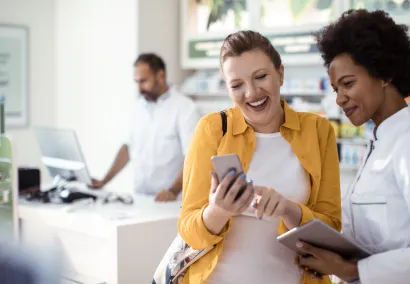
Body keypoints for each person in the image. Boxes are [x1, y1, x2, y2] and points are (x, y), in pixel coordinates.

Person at [294, 9, 410, 284]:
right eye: (336, 89)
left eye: (348, 84)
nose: (339, 98)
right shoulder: (378, 143)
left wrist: (351, 270)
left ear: (384, 74)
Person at [177, 30, 341, 284]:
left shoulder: (318, 131)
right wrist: (217, 211)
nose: (251, 93)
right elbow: (189, 231)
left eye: (261, 77)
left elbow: (331, 229)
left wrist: (288, 209)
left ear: (280, 74)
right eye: (237, 85)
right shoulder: (212, 129)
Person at [89, 53, 201, 202]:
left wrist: (172, 191)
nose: (139, 88)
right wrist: (104, 180)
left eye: (143, 81)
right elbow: (128, 148)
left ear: (160, 76)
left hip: (172, 201)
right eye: (137, 82)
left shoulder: (186, 109)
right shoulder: (138, 107)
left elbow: (193, 156)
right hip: (140, 198)